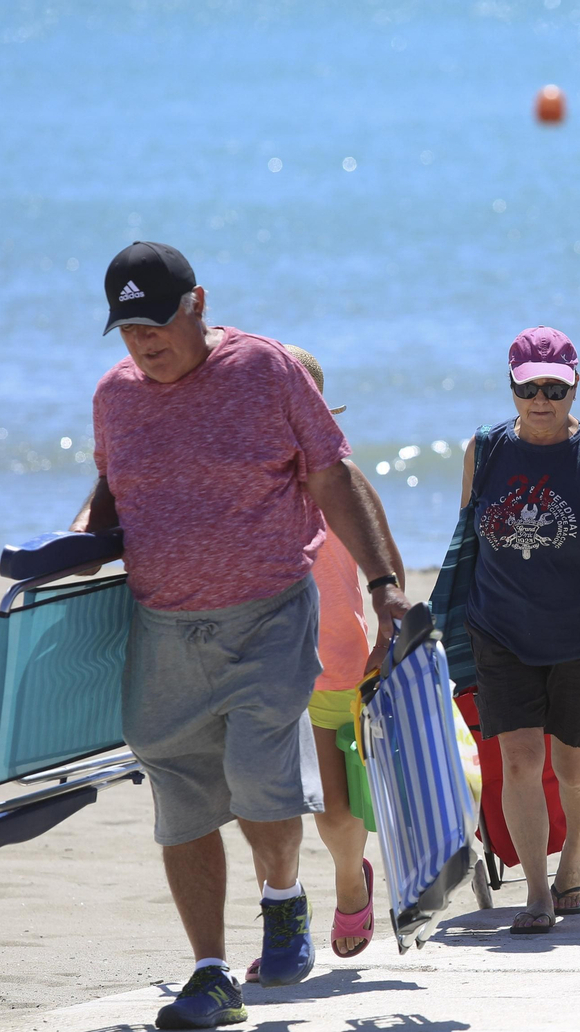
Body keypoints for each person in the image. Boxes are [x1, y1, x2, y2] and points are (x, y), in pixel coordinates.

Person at [76, 241, 411, 1030]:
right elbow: (110, 491)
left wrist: (383, 584)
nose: (143, 344)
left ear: (196, 303)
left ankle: (285, 899)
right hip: (163, 624)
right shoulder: (115, 394)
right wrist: (70, 549)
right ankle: (210, 971)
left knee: (260, 776)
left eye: (155, 325)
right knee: (183, 801)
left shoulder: (265, 370)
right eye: (127, 331)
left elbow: (332, 474)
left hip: (268, 611)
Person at [459, 326, 580, 936]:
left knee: (572, 766)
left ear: (574, 386)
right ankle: (537, 893)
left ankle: (574, 860)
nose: (542, 399)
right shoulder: (484, 449)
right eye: (529, 387)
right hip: (500, 632)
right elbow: (467, 544)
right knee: (517, 760)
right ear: (511, 385)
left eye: (554, 388)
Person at [241, 345, 376, 983]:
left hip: (336, 662)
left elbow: (385, 567)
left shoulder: (343, 481)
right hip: (261, 664)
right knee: (266, 804)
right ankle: (283, 922)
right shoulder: (242, 480)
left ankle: (352, 884)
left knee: (332, 808)